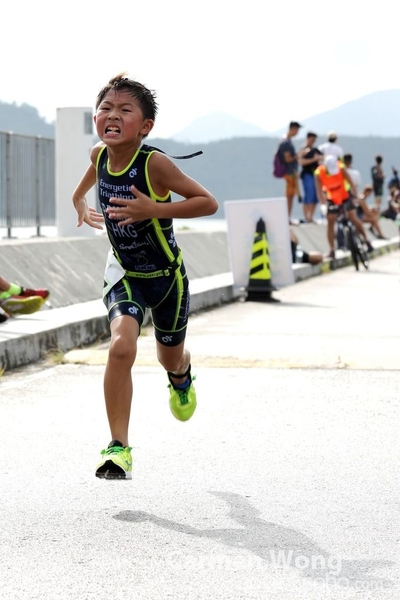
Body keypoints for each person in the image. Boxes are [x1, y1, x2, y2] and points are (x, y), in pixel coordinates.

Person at [72, 73, 218, 480]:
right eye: (105, 108)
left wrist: (154, 209)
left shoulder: (154, 165)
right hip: (125, 273)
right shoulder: (99, 155)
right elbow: (88, 178)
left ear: (145, 126)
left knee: (168, 356)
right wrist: (78, 200)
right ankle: (118, 447)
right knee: (121, 346)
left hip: (167, 278)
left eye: (125, 110)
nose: (112, 115)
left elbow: (207, 202)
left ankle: (180, 375)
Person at [314, 155, 372, 259]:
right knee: (330, 221)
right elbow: (319, 191)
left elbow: (350, 182)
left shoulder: (340, 167)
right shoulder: (319, 172)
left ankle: (366, 241)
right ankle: (332, 250)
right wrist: (323, 203)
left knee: (353, 217)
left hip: (345, 195)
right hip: (331, 198)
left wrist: (355, 196)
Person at [277, 121, 302, 223]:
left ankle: (287, 218)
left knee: (290, 196)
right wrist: (298, 155)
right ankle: (286, 218)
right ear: (293, 129)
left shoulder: (287, 141)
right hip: (289, 172)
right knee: (289, 196)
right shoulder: (286, 143)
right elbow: (288, 159)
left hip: (291, 172)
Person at [298, 132, 323, 223]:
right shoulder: (303, 150)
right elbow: (301, 162)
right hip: (307, 174)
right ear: (307, 138)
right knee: (308, 195)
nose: (313, 142)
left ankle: (310, 217)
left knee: (315, 196)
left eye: (314, 140)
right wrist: (313, 159)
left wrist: (319, 158)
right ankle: (306, 216)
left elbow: (323, 157)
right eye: (312, 140)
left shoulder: (315, 150)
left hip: (316, 175)